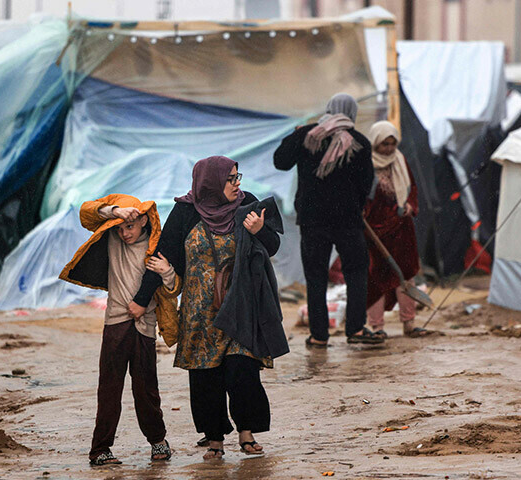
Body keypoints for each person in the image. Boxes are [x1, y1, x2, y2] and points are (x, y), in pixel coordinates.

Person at [129, 156, 283, 460]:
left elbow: (272, 247)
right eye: (231, 179)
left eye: (238, 177)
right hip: (200, 313)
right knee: (205, 378)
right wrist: (140, 299)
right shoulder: (186, 212)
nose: (238, 184)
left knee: (243, 371)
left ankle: (246, 433)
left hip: (241, 305)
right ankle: (214, 439)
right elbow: (163, 255)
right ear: (210, 182)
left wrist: (259, 231)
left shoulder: (247, 204)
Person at [58, 194, 179, 466]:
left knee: (146, 388)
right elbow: (87, 213)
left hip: (145, 326)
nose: (125, 233)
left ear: (145, 221)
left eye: (131, 227)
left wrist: (168, 271)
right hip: (115, 322)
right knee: (109, 388)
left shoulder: (156, 246)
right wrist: (116, 212)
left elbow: (173, 288)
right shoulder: (112, 238)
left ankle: (158, 442)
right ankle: (100, 449)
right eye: (121, 227)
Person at [274, 93, 383, 346]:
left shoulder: (308, 136)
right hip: (348, 221)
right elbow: (367, 185)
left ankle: (319, 336)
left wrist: (296, 134)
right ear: (351, 112)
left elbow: (280, 162)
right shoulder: (360, 143)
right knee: (356, 273)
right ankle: (355, 330)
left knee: (316, 277)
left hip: (313, 221)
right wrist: (355, 204)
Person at [364, 121, 430, 338]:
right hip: (375, 232)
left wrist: (410, 204)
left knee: (406, 275)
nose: (389, 149)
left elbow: (412, 187)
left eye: (392, 144)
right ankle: (377, 327)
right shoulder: (365, 164)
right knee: (375, 278)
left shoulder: (400, 161)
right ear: (375, 143)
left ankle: (409, 323)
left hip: (402, 228)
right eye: (385, 144)